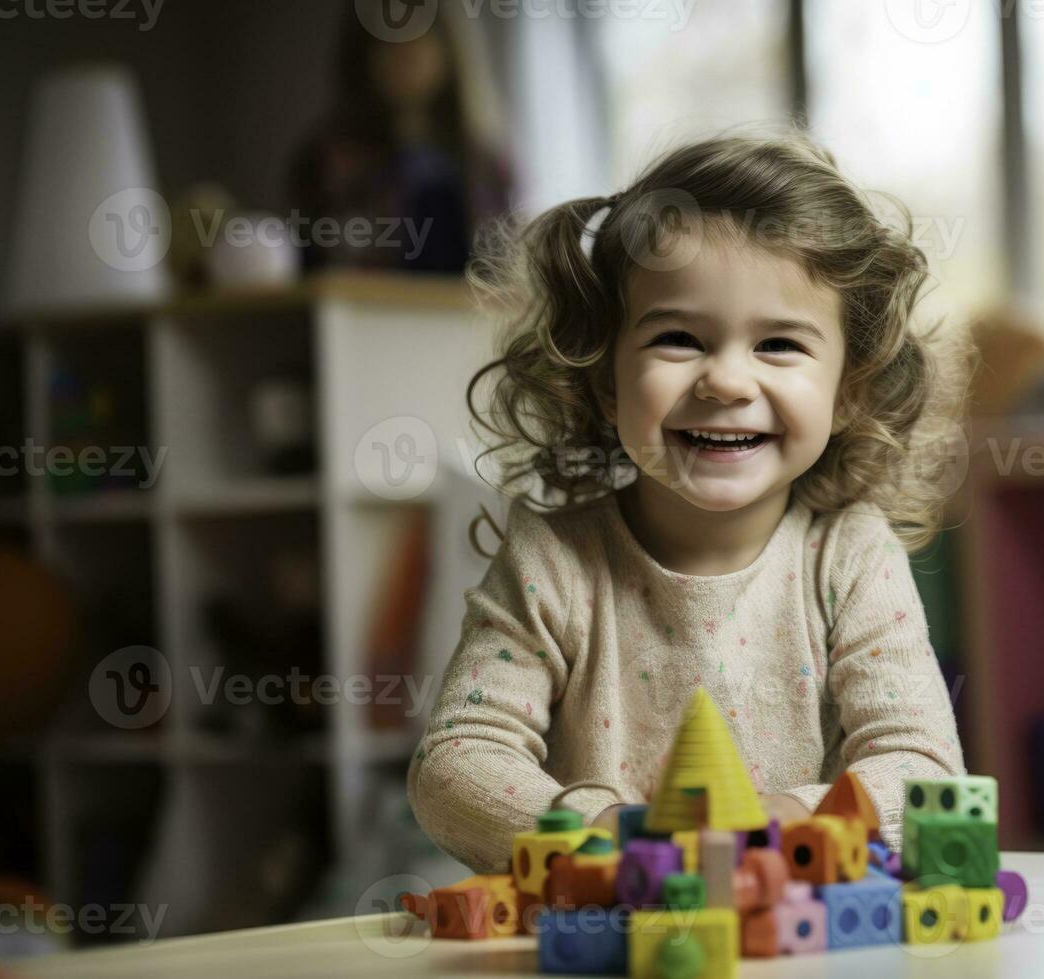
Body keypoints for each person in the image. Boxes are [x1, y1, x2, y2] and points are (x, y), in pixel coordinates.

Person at [407, 126, 976, 872]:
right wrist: (601, 828)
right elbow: (454, 766)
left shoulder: (849, 555)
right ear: (607, 382)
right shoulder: (552, 559)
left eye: (779, 345)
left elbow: (924, 767)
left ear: (849, 391)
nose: (727, 382)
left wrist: (791, 817)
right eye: (678, 337)